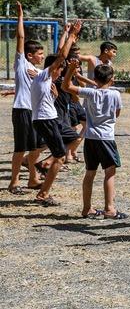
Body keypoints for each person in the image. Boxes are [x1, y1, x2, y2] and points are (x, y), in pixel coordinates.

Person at [63, 58, 125, 219]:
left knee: (90, 173)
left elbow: (66, 86)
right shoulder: (116, 94)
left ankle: (87, 208)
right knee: (109, 173)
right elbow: (116, 114)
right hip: (106, 138)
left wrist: (71, 70)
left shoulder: (90, 93)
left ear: (95, 79)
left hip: (90, 138)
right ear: (112, 79)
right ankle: (110, 209)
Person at [28, 21, 82, 206]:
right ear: (54, 67)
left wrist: (55, 95)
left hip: (48, 120)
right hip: (46, 121)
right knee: (59, 157)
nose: (61, 72)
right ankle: (43, 194)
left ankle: (42, 165)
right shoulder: (45, 75)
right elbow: (62, 55)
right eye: (60, 68)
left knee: (71, 136)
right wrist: (72, 35)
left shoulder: (45, 82)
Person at [8, 2, 45, 194]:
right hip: (22, 110)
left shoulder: (38, 72)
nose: (42, 56)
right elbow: (21, 37)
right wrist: (20, 16)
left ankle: (32, 179)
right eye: (39, 54)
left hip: (35, 113)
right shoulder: (21, 64)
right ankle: (14, 182)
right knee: (20, 149)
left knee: (35, 148)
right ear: (29, 55)